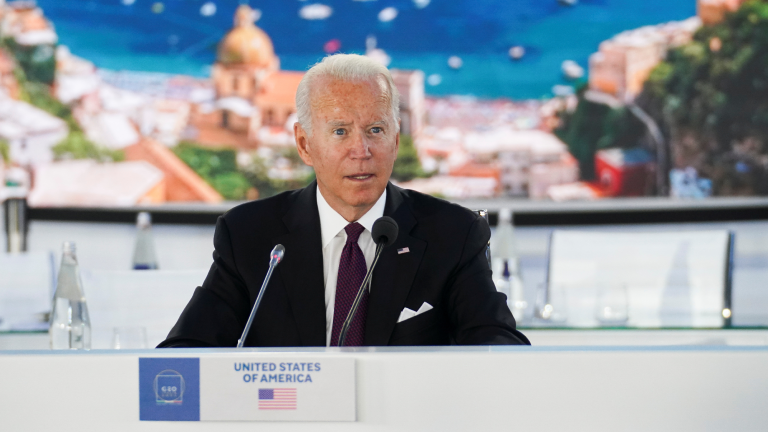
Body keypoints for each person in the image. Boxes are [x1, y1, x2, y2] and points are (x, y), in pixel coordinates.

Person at [159, 54, 529, 347]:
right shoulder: (249, 235)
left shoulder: (455, 233)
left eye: (376, 130)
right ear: (305, 144)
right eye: (340, 131)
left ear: (396, 141)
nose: (361, 150)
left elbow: (498, 343)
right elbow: (187, 350)